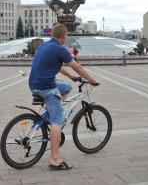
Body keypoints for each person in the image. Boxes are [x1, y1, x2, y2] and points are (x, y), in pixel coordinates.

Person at [29, 24, 99, 170]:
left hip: (34, 84)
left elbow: (59, 66)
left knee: (66, 87)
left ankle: (50, 114)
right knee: (57, 120)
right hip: (46, 88)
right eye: (66, 36)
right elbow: (78, 67)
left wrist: (71, 77)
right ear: (64, 36)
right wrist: (92, 80)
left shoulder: (44, 46)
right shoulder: (60, 49)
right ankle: (54, 159)